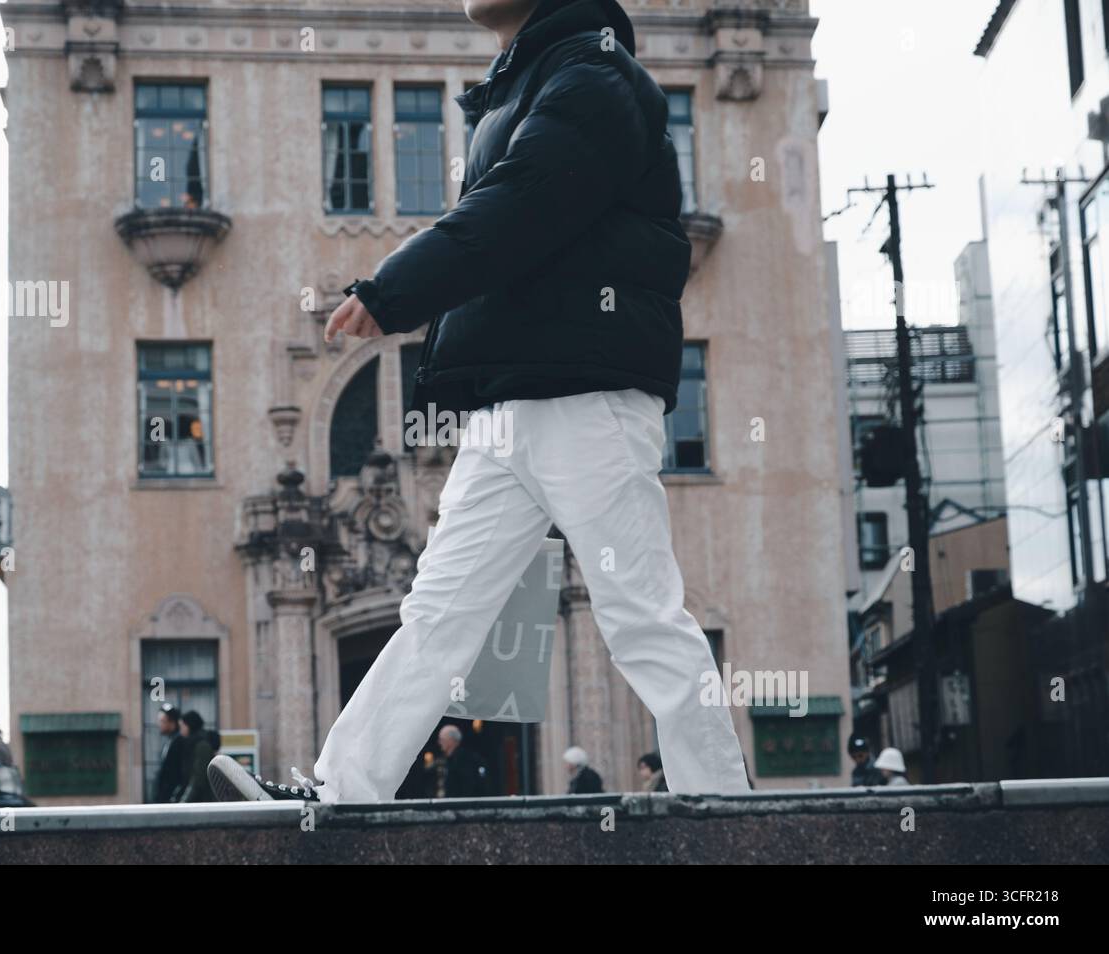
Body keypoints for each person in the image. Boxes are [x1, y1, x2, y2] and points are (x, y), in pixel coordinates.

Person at [208, 0, 749, 805]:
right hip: (514, 400)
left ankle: (727, 811)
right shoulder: (529, 85)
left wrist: (391, 289)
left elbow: (512, 213)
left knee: (639, 612)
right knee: (438, 613)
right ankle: (342, 789)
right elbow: (498, 224)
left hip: (585, 392)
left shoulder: (592, 78)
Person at [436, 725, 490, 797]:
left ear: (451, 740)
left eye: (442, 739)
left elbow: (469, 786)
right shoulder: (445, 760)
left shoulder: (467, 760)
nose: (439, 742)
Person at [153, 704, 191, 803]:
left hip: (171, 800)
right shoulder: (170, 740)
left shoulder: (179, 741)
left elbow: (180, 774)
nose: (159, 724)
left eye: (162, 721)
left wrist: (174, 798)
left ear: (172, 722)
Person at [177, 710, 215, 803]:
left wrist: (184, 801)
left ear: (189, 726)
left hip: (202, 800)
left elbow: (198, 778)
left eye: (182, 726)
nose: (180, 730)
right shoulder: (192, 743)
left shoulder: (201, 745)